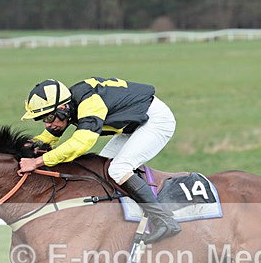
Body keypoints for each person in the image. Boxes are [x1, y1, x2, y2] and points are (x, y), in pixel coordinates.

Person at [18, 77, 181, 244]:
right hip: (133, 124)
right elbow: (51, 134)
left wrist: (38, 162)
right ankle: (120, 220)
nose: (47, 124)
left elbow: (80, 144)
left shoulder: (90, 103)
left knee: (118, 169)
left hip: (155, 121)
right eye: (44, 119)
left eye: (49, 118)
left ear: (62, 108)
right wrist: (33, 144)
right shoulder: (69, 104)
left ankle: (164, 220)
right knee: (99, 169)